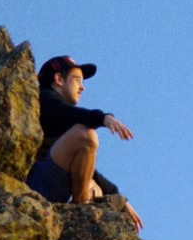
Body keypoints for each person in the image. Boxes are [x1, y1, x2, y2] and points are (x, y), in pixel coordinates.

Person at [26, 54, 142, 229]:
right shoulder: (43, 99)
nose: (82, 87)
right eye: (77, 80)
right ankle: (81, 209)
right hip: (36, 183)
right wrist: (103, 118)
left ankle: (81, 212)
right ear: (58, 79)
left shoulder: (62, 121)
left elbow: (87, 170)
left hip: (52, 185)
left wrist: (119, 197)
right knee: (86, 136)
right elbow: (67, 114)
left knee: (95, 187)